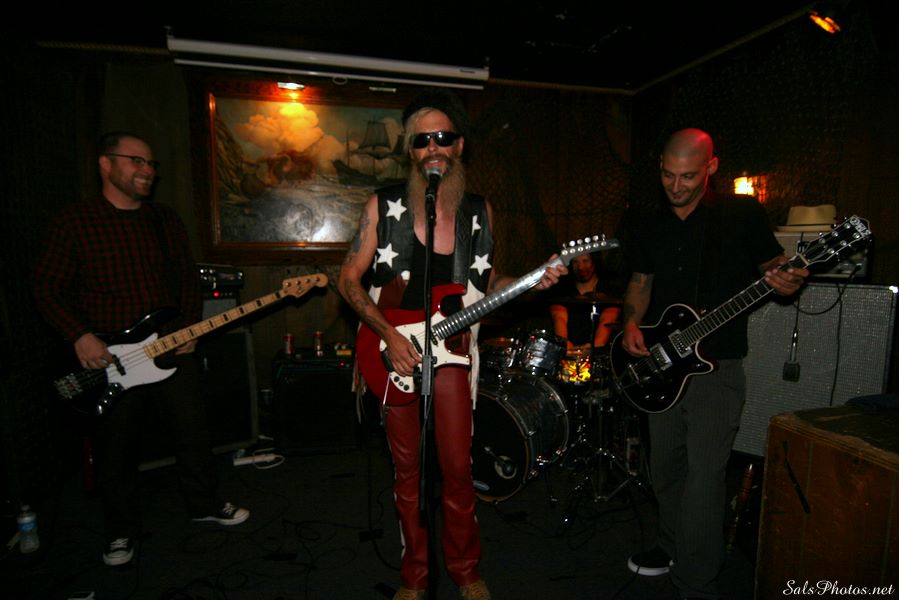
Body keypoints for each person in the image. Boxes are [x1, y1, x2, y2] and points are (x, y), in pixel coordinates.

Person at [338, 90, 565, 600]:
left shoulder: (478, 212)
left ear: (459, 146)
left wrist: (532, 280)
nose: (433, 148)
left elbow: (487, 284)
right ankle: (415, 576)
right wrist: (386, 333)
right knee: (408, 473)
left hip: (453, 351)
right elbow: (348, 279)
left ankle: (465, 570)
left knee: (459, 469)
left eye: (443, 137)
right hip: (393, 351)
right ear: (410, 151)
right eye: (422, 140)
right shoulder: (383, 205)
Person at [32, 132, 249, 567]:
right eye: (136, 161)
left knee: (194, 432)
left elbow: (187, 281)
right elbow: (46, 288)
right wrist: (79, 335)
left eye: (151, 164)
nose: (147, 171)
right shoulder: (74, 222)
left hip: (168, 348)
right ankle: (120, 530)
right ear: (105, 164)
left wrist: (188, 328)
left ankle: (204, 503)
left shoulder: (163, 220)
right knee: (116, 449)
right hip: (108, 359)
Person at [618, 128, 809, 600]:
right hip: (662, 363)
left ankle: (697, 582)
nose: (676, 186)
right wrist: (631, 322)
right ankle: (669, 546)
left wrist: (788, 279)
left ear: (712, 167)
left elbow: (774, 265)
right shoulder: (647, 220)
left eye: (687, 176)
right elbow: (641, 280)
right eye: (668, 175)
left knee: (704, 479)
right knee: (665, 469)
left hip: (716, 366)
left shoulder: (741, 214)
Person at [548, 251, 621, 353]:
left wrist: (591, 348)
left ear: (594, 262)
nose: (581, 267)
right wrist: (565, 345)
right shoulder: (562, 290)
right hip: (568, 352)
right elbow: (559, 319)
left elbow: (607, 321)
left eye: (585, 261)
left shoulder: (609, 289)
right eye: (575, 262)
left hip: (599, 353)